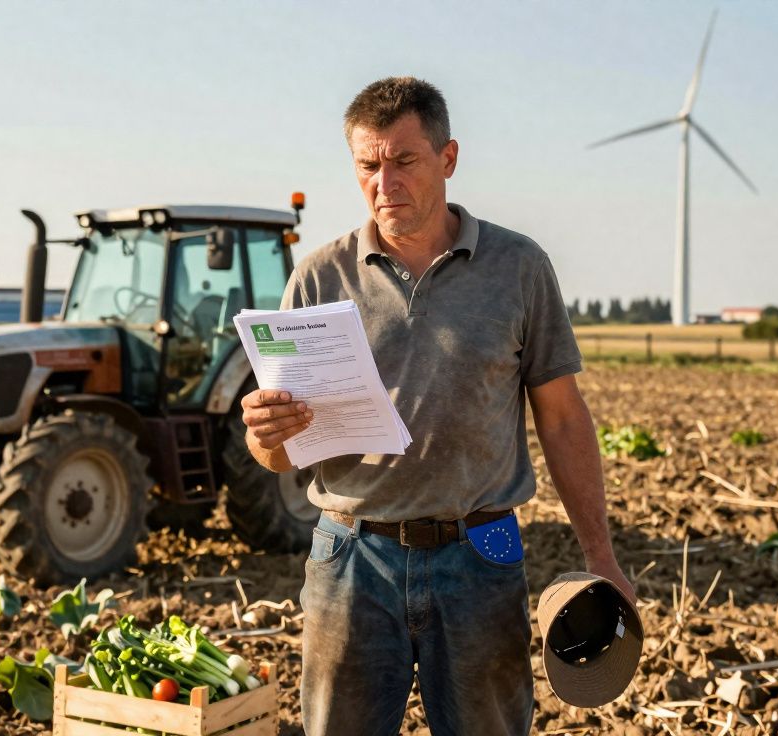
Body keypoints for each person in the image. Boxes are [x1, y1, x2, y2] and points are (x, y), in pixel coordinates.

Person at [240, 76, 636, 735]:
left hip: (483, 548)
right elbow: (277, 451)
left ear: (448, 159)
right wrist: (265, 433)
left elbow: (562, 418)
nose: (384, 183)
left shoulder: (518, 267)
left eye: (404, 161)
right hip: (350, 555)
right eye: (368, 165)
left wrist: (601, 555)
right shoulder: (317, 277)